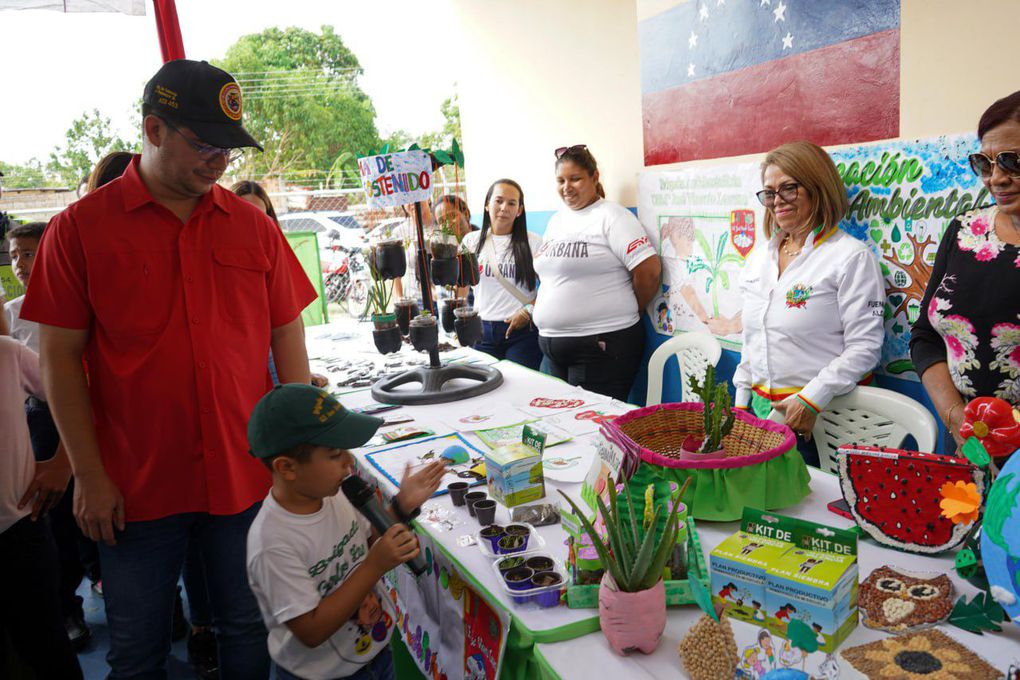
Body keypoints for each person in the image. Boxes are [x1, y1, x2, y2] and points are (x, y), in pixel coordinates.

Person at [20, 59, 317, 678]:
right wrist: (88, 475)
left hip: (244, 476)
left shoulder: (253, 228)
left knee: (248, 627)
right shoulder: (78, 232)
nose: (219, 163)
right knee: (137, 650)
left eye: (229, 149)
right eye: (204, 144)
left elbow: (287, 334)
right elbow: (59, 362)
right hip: (133, 487)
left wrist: (301, 451)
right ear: (153, 131)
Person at [245, 384, 445, 680]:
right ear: (287, 467)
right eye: (335, 453)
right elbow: (311, 630)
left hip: (374, 654)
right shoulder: (272, 542)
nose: (349, 461)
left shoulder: (336, 494)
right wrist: (375, 566)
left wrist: (401, 507)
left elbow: (368, 543)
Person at [733, 141, 885, 466]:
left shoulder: (849, 258)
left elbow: (865, 348)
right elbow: (753, 340)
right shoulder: (760, 258)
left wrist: (812, 398)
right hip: (763, 417)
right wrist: (740, 403)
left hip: (826, 419)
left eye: (789, 188)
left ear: (818, 188)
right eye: (770, 193)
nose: (777, 201)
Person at [912, 91, 1020, 454]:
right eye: (985, 163)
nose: (996, 178)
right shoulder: (963, 231)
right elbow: (925, 336)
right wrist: (955, 415)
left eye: (1012, 161)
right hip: (966, 438)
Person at [4, 221, 91, 651]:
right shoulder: (11, 314)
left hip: (80, 412)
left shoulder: (78, 301)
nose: (20, 262)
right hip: (38, 420)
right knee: (51, 514)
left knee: (92, 506)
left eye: (30, 252)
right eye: (14, 254)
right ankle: (67, 606)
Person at [532, 145, 661, 401]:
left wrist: (630, 306)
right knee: (559, 425)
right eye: (561, 180)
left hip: (601, 346)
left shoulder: (613, 217)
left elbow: (649, 271)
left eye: (575, 179)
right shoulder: (556, 221)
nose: (567, 187)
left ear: (594, 176)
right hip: (553, 347)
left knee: (591, 427)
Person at [0, 334, 83, 679]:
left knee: (45, 648)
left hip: (17, 530)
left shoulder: (8, 354)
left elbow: (79, 394)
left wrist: (65, 462)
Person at [232, 180, 328, 389]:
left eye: (262, 215)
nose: (255, 222)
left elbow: (292, 322)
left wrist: (302, 373)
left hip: (273, 354)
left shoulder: (275, 250)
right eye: (247, 213)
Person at [460, 179, 543, 369]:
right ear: (487, 205)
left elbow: (550, 287)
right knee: (483, 389)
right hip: (481, 332)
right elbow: (461, 287)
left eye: (512, 203)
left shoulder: (534, 242)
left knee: (521, 386)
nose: (504, 207)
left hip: (522, 332)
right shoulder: (471, 241)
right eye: (498, 201)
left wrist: (528, 311)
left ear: (519, 210)